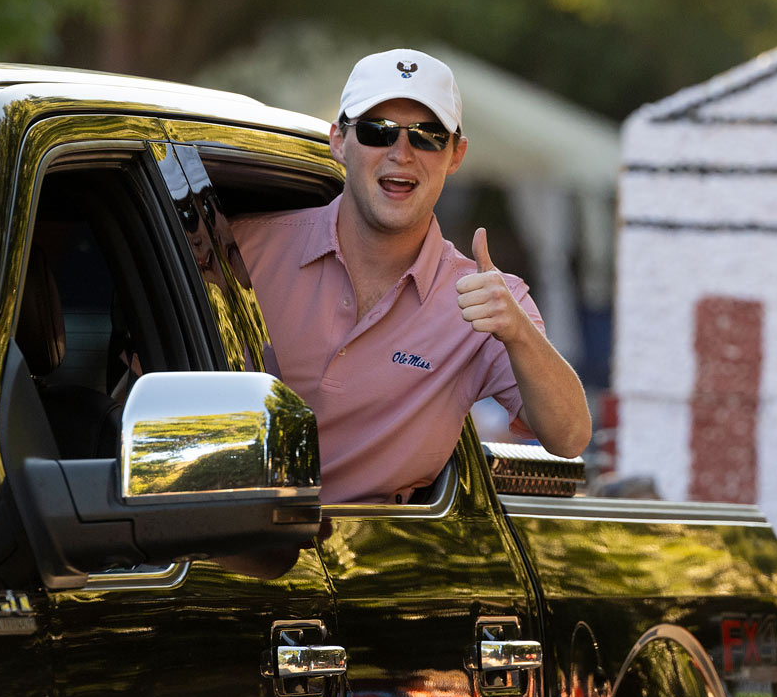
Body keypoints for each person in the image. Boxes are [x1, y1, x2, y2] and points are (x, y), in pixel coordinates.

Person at [232, 48, 592, 504]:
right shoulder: (244, 249)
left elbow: (570, 436)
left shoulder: (489, 300)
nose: (401, 154)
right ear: (339, 141)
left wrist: (518, 333)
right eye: (377, 131)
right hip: (218, 555)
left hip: (368, 565)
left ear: (456, 154)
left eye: (428, 136)